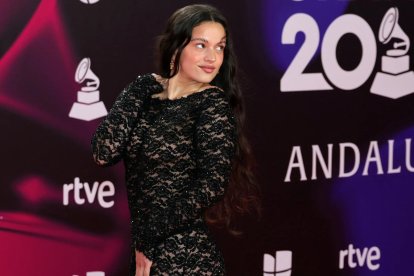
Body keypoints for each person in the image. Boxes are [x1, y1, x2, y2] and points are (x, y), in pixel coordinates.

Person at [92, 4, 260, 276]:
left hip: (186, 256)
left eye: (220, 47)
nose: (212, 57)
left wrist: (149, 237)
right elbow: (103, 152)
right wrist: (139, 89)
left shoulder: (211, 104)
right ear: (177, 46)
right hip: (147, 252)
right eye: (201, 45)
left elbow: (212, 184)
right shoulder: (145, 93)